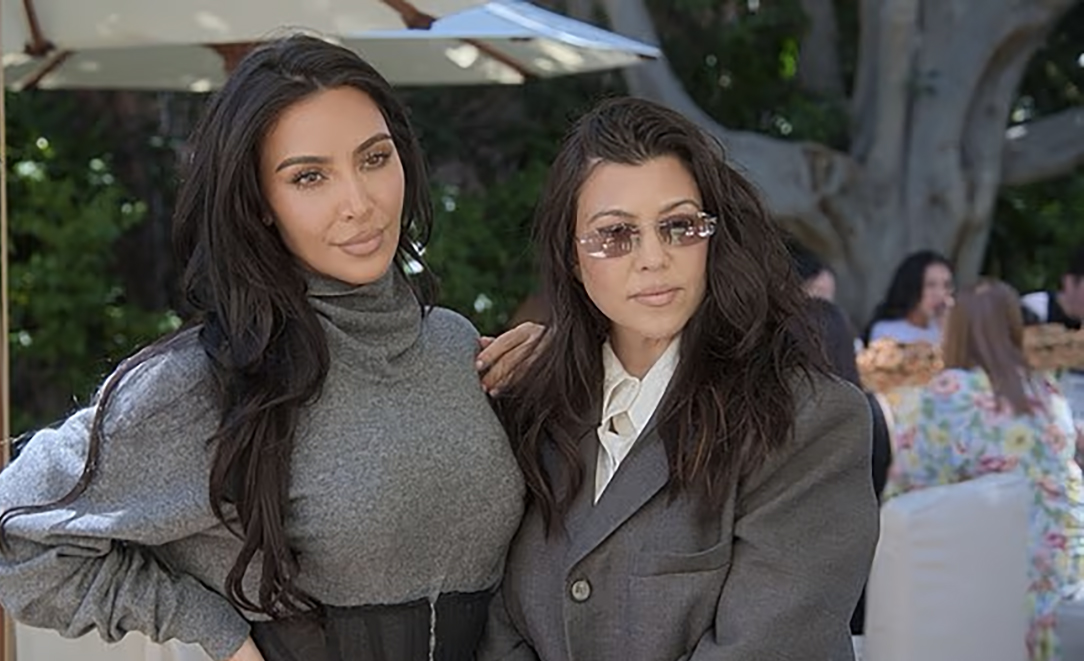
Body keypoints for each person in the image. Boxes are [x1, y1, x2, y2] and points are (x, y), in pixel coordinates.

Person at [0, 35, 537, 661]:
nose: (359, 204)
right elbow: (15, 532)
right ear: (258, 203)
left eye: (374, 158)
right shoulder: (209, 383)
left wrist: (559, 381)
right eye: (310, 176)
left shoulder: (454, 345)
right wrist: (215, 630)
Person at [478, 97, 879, 661]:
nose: (653, 258)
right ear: (573, 258)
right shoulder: (530, 409)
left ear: (714, 237)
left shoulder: (808, 421)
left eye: (679, 226)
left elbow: (770, 646)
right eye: (615, 235)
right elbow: (497, 628)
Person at [885, 279, 1084, 661]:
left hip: (968, 584)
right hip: (1048, 584)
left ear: (956, 329)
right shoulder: (1048, 394)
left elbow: (902, 501)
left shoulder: (941, 395)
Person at [864, 250, 954, 345]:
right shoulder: (887, 332)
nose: (940, 294)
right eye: (930, 285)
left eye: (946, 286)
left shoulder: (947, 330)